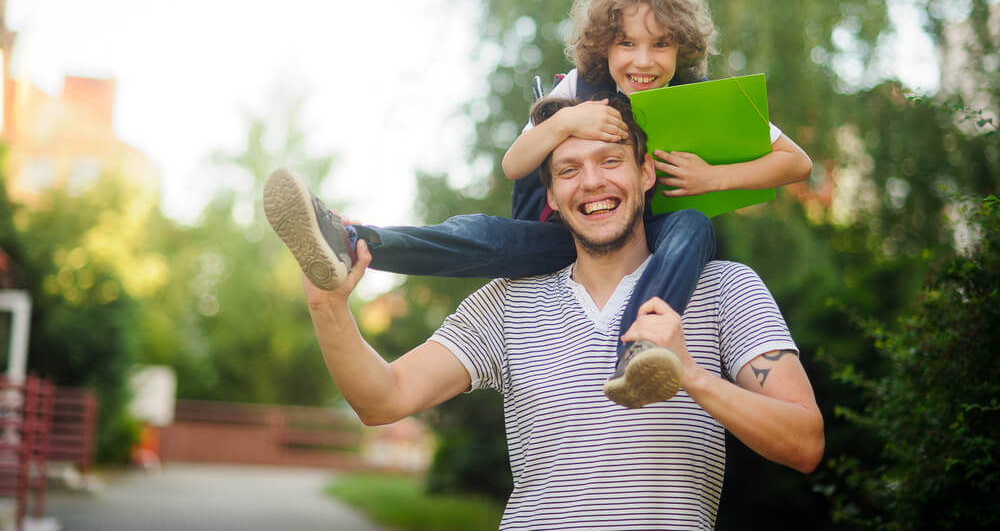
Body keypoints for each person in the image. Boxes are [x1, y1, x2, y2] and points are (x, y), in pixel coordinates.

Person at [263, 0, 812, 408]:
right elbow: (514, 163)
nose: (643, 62)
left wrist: (714, 178)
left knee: (693, 225)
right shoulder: (577, 88)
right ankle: (356, 240)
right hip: (557, 236)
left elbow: (795, 163)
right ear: (605, 46)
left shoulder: (698, 97)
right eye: (627, 45)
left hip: (653, 232)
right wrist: (566, 123)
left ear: (681, 49)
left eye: (660, 46)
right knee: (485, 237)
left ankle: (641, 349)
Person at [299, 95, 824, 530]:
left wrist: (688, 374)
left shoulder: (724, 289)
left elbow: (805, 442)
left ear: (645, 174)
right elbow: (384, 399)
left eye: (610, 161)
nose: (591, 182)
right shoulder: (508, 302)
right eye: (569, 170)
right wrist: (328, 307)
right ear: (551, 193)